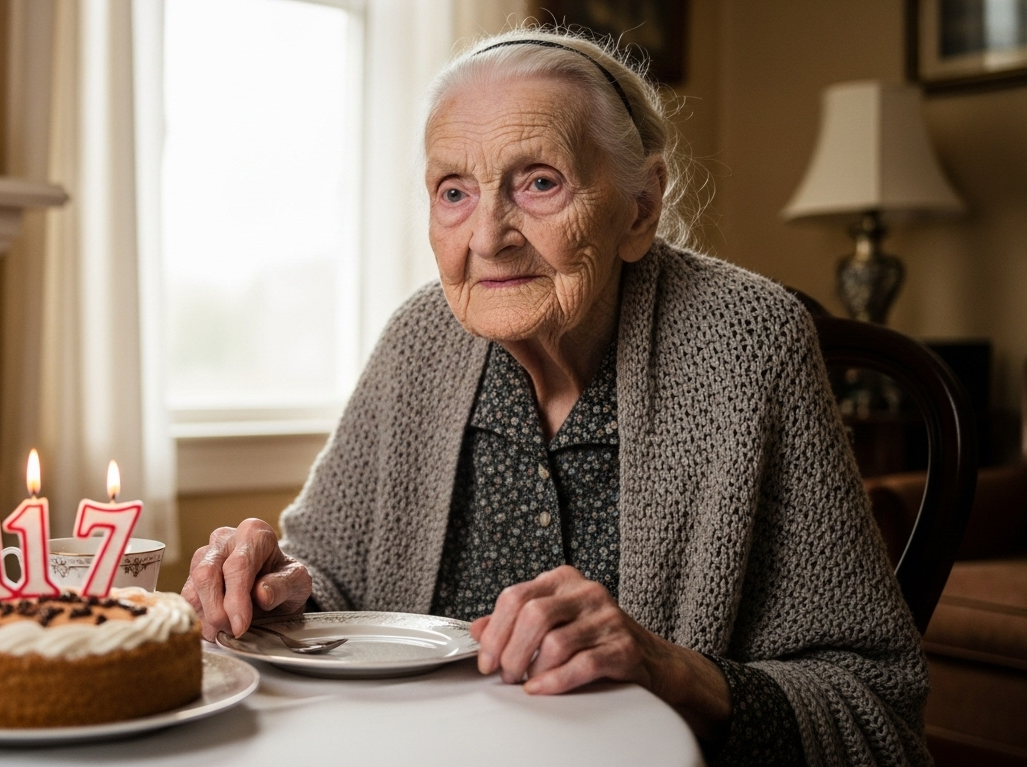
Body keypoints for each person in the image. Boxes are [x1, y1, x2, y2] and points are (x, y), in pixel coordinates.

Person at [183, 28, 929, 766]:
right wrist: (280, 590)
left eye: (538, 181)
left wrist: (670, 670)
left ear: (639, 208)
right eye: (453, 191)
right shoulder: (420, 336)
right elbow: (332, 585)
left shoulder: (747, 344)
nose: (487, 237)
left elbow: (875, 713)